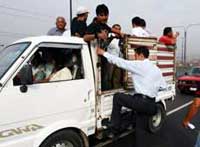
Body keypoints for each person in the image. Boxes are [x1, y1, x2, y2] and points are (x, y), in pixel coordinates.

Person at [97, 46, 167, 147]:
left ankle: (114, 128)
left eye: (135, 55)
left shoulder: (139, 64)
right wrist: (149, 89)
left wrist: (103, 53)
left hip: (141, 102)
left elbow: (120, 62)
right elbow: (163, 87)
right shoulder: (156, 69)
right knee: (140, 131)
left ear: (141, 55)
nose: (135, 58)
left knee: (118, 97)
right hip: (151, 105)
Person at [107, 24, 123, 89]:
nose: (117, 31)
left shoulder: (121, 39)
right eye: (116, 29)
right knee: (109, 78)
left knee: (117, 79)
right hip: (110, 61)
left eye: (119, 29)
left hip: (118, 61)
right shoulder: (109, 37)